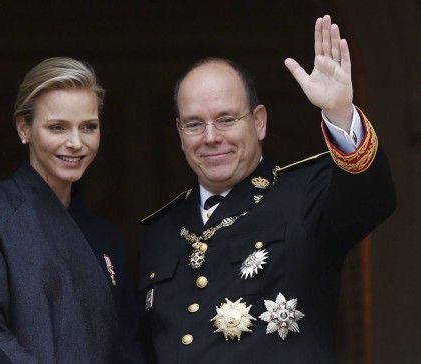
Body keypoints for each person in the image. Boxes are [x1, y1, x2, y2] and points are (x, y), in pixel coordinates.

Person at [138, 15, 396, 363]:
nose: (211, 137)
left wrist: (339, 112)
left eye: (227, 119)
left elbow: (370, 196)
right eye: (195, 124)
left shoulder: (306, 194)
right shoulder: (160, 232)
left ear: (258, 121)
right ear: (179, 133)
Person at [0, 57, 143, 363]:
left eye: (89, 127)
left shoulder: (106, 238)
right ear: (25, 128)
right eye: (57, 127)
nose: (76, 142)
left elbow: (127, 347)